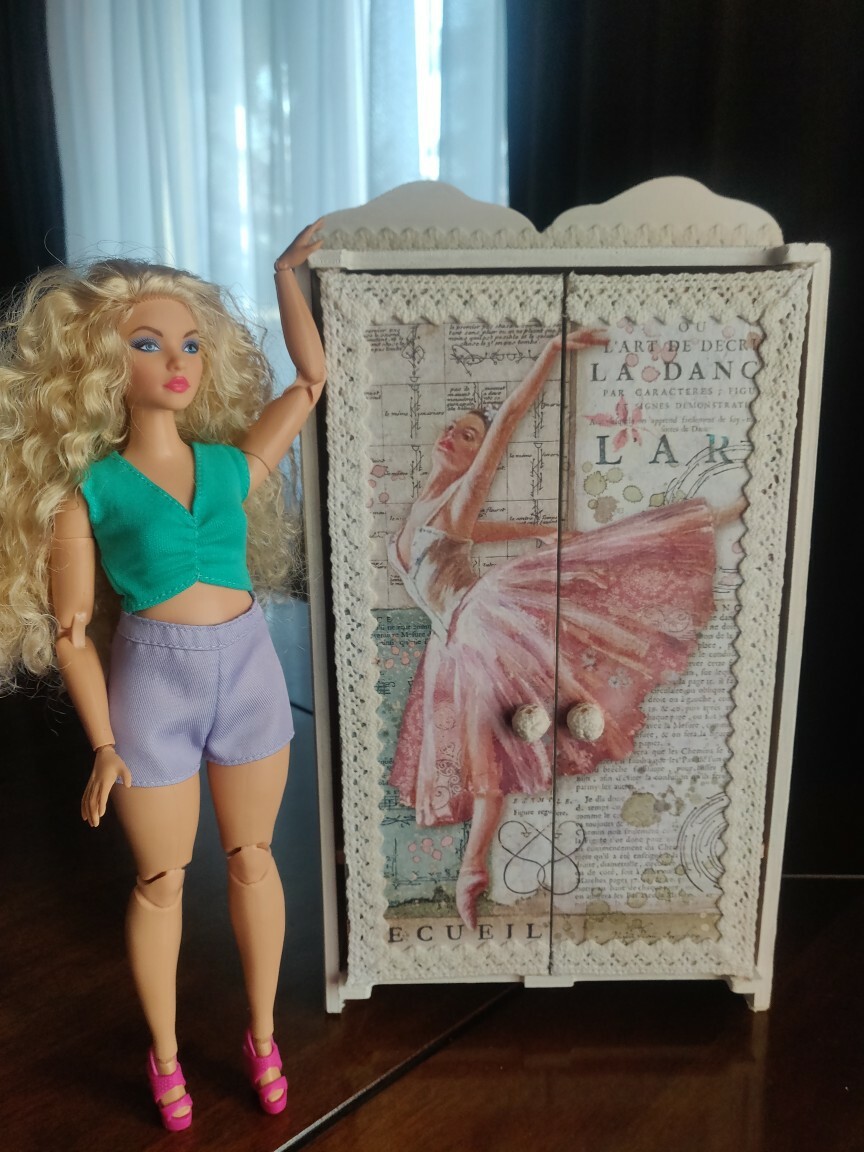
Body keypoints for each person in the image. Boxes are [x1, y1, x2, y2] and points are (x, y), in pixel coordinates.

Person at [0, 222, 326, 1130]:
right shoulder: (92, 491)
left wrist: (286, 274)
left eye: (188, 344)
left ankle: (263, 1035)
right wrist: (103, 745)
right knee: (161, 879)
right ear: (102, 365)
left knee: (254, 859)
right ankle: (167, 1051)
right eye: (147, 344)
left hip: (250, 672)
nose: (176, 362)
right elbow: (72, 633)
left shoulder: (228, 466)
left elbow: (309, 383)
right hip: (152, 686)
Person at [388, 329, 740, 930]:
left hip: (483, 617)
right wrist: (538, 529)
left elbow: (507, 421)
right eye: (452, 428)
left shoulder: (457, 501)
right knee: (484, 750)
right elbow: (469, 533)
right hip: (453, 640)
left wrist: (550, 352)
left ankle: (711, 520)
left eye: (468, 436)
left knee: (600, 572)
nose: (453, 436)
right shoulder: (428, 512)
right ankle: (473, 871)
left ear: (477, 456)